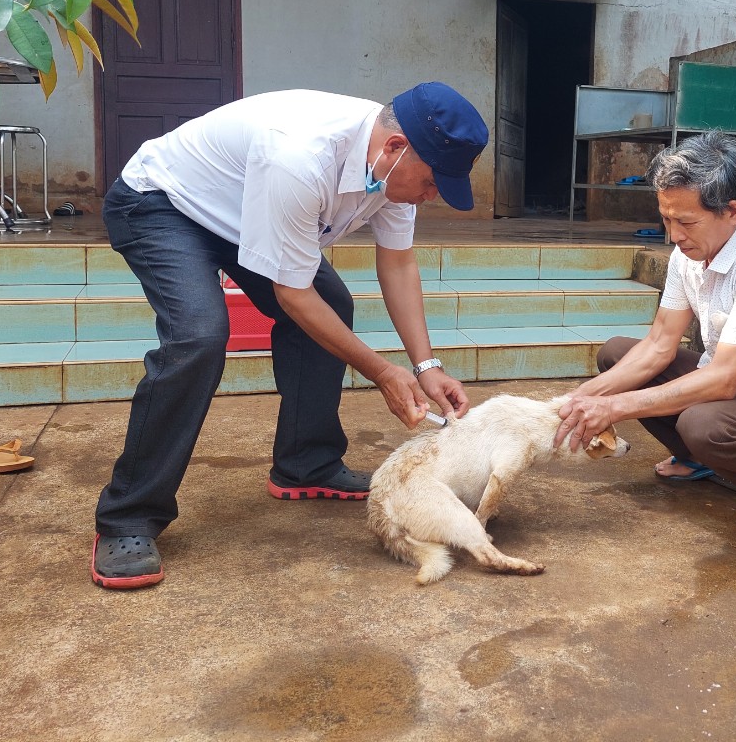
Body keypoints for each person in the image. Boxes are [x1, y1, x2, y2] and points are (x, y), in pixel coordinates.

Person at [91, 82, 488, 588]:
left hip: (243, 216)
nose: (432, 196)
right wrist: (383, 374)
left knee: (335, 306)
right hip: (164, 203)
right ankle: (127, 516)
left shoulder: (395, 167)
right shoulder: (300, 156)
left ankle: (307, 463)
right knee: (199, 336)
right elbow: (294, 296)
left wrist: (425, 366)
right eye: (433, 182)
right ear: (394, 148)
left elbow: (398, 263)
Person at [554, 132, 736, 531]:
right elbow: (659, 343)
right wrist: (576, 398)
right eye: (666, 219)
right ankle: (695, 456)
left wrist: (611, 407)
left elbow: (724, 380)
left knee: (703, 423)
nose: (674, 235)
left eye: (686, 221)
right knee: (617, 355)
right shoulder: (689, 252)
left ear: (731, 211)